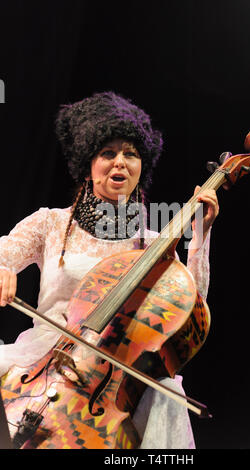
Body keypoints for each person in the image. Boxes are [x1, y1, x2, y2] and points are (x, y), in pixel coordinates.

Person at [0, 91, 219, 449]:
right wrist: (2, 270)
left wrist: (200, 237)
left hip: (109, 378)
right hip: (41, 358)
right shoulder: (51, 223)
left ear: (141, 168)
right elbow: (3, 254)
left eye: (130, 154)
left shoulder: (153, 245)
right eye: (108, 153)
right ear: (87, 163)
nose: (120, 163)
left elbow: (190, 306)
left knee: (165, 396)